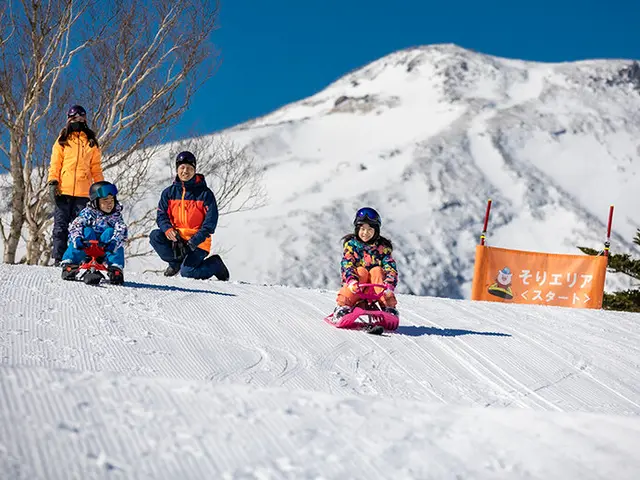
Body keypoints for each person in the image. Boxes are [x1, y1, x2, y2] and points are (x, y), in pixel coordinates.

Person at [149, 151, 229, 280]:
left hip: (198, 242)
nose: (185, 171)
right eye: (182, 167)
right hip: (177, 240)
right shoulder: (168, 193)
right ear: (177, 169)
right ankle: (175, 263)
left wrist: (194, 241)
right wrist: (168, 230)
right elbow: (161, 215)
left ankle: (215, 265)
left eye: (189, 168)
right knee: (155, 236)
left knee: (188, 273)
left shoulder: (205, 194)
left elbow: (210, 222)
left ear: (194, 170)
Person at [47, 105, 104, 266]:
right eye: (73, 119)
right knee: (60, 226)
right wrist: (53, 181)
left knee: (81, 227)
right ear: (68, 120)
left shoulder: (91, 142)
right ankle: (59, 258)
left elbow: (96, 169)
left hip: (83, 193)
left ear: (85, 120)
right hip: (63, 191)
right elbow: (55, 163)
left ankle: (78, 257)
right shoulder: (62, 140)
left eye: (80, 119)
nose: (77, 121)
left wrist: (100, 188)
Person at [333, 207, 399, 320]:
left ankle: (388, 307)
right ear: (357, 229)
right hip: (356, 287)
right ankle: (342, 307)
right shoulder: (352, 246)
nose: (365, 233)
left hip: (377, 288)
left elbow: (390, 267)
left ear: (376, 231)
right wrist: (351, 280)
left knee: (377, 270)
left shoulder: (382, 248)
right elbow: (347, 264)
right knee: (361, 271)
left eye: (370, 230)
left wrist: (389, 284)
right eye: (362, 229)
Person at [60, 181, 128, 285]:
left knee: (111, 232)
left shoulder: (116, 215)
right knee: (86, 230)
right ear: (96, 202)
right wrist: (78, 239)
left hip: (105, 248)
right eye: (105, 200)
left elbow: (121, 229)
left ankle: (115, 267)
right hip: (86, 246)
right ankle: (70, 263)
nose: (109, 203)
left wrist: (114, 241)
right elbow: (76, 225)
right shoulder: (88, 213)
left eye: (112, 200)